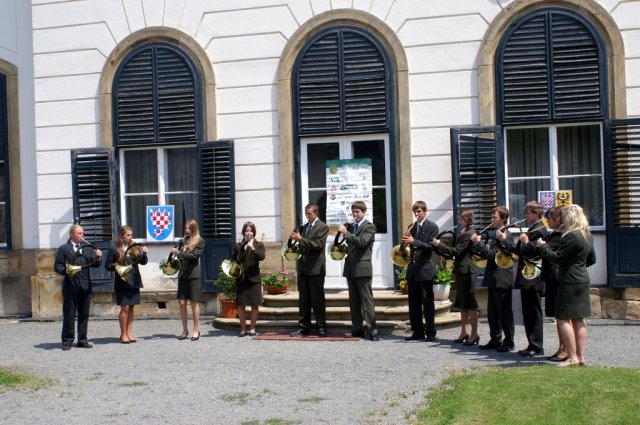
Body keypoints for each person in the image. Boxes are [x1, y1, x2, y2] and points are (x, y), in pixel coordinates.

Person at [537, 204, 595, 367]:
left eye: (564, 217)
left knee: (563, 318)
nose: (562, 219)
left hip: (569, 280)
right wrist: (577, 266)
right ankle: (580, 357)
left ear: (570, 217)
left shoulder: (571, 236)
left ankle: (571, 357)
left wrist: (542, 246)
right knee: (579, 318)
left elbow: (557, 257)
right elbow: (592, 259)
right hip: (582, 279)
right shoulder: (587, 234)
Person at [499, 200, 548, 357]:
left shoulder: (539, 229)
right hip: (527, 276)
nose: (525, 215)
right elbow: (521, 250)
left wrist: (520, 242)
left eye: (528, 212)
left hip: (533, 277)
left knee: (533, 313)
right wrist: (507, 243)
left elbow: (531, 252)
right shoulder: (533, 228)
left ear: (536, 213)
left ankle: (537, 346)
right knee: (528, 313)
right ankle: (531, 344)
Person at [520, 206, 566, 361]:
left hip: (543, 277)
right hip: (544, 276)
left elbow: (539, 252)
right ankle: (559, 347)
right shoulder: (548, 231)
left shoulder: (544, 231)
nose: (548, 222)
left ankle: (542, 346)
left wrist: (527, 243)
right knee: (555, 316)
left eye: (550, 219)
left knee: (555, 316)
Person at [471, 206, 515, 352]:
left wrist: (479, 243)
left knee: (504, 313)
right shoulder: (497, 233)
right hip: (494, 278)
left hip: (502, 279)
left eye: (495, 217)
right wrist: (477, 246)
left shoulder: (505, 235)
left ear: (503, 219)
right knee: (493, 313)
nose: (492, 220)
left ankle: (508, 342)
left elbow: (493, 256)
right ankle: (496, 339)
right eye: (492, 217)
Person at [432, 209, 479, 346]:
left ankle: (474, 334)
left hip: (468, 271)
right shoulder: (464, 232)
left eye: (461, 219)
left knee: (471, 304)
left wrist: (440, 244)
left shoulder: (469, 233)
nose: (459, 221)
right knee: (463, 304)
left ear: (468, 220)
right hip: (461, 270)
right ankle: (464, 332)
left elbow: (457, 252)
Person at [53, 225, 102, 350]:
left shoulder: (86, 248)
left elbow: (95, 264)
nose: (82, 235)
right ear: (72, 234)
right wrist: (68, 271)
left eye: (83, 233)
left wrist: (98, 257)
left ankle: (82, 340)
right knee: (69, 315)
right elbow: (58, 267)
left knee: (84, 315)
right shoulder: (64, 249)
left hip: (85, 285)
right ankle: (67, 341)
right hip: (71, 285)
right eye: (79, 233)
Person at [338, 201, 378, 341]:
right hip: (350, 268)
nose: (355, 214)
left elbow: (362, 243)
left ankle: (373, 331)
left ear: (364, 212)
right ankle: (357, 329)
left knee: (366, 301)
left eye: (357, 212)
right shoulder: (351, 226)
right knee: (354, 302)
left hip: (362, 268)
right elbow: (350, 246)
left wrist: (347, 233)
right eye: (353, 212)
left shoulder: (369, 226)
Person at [289, 203, 330, 338]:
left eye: (309, 213)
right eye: (306, 213)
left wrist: (301, 239)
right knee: (304, 301)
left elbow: (317, 245)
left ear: (316, 213)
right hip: (303, 268)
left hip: (315, 269)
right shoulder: (303, 227)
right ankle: (303, 327)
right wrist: (293, 245)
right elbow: (300, 246)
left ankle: (321, 327)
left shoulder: (322, 227)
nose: (307, 216)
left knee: (317, 300)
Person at [402, 201, 439, 342]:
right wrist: (404, 243)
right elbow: (408, 247)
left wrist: (414, 242)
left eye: (419, 211)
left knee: (427, 303)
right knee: (413, 303)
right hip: (413, 270)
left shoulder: (432, 227)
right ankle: (417, 331)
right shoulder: (411, 227)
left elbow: (430, 247)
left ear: (425, 211)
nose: (416, 214)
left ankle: (431, 332)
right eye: (415, 212)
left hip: (425, 269)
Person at [105, 225, 148, 344]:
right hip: (122, 282)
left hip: (134, 280)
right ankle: (123, 333)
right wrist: (119, 267)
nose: (130, 237)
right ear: (122, 236)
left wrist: (144, 254)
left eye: (131, 235)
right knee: (125, 307)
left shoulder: (135, 247)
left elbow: (143, 262)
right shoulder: (114, 248)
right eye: (128, 235)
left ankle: (129, 333)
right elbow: (108, 265)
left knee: (132, 308)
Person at [172, 218, 205, 341]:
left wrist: (179, 253)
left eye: (189, 228)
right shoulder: (183, 241)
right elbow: (179, 256)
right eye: (185, 228)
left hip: (193, 275)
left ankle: (196, 330)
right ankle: (185, 330)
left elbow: (194, 256)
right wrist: (174, 254)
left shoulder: (200, 241)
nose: (186, 230)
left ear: (194, 229)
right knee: (182, 303)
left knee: (193, 303)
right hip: (183, 274)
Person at [233, 221, 265, 337]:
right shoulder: (238, 246)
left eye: (251, 231)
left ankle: (252, 328)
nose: (249, 233)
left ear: (254, 232)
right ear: (243, 232)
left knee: (254, 305)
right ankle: (243, 329)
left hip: (254, 279)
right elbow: (233, 261)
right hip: (241, 279)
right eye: (247, 231)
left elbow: (262, 257)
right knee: (241, 305)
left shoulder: (259, 245)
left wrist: (253, 248)